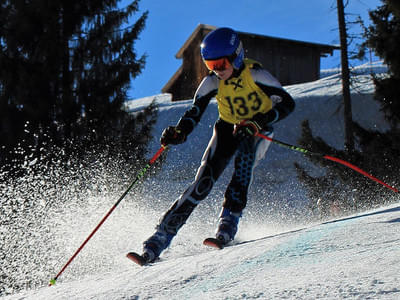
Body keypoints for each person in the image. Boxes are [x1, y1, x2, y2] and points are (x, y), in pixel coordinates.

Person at [140, 27, 295, 263]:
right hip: (227, 129)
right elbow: (195, 111)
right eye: (211, 65)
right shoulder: (212, 82)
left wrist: (258, 121)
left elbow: (287, 104)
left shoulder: (256, 75)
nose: (217, 70)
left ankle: (228, 223)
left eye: (221, 64)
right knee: (203, 182)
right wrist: (180, 132)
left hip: (257, 130)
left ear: (237, 56)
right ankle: (161, 236)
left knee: (243, 166)